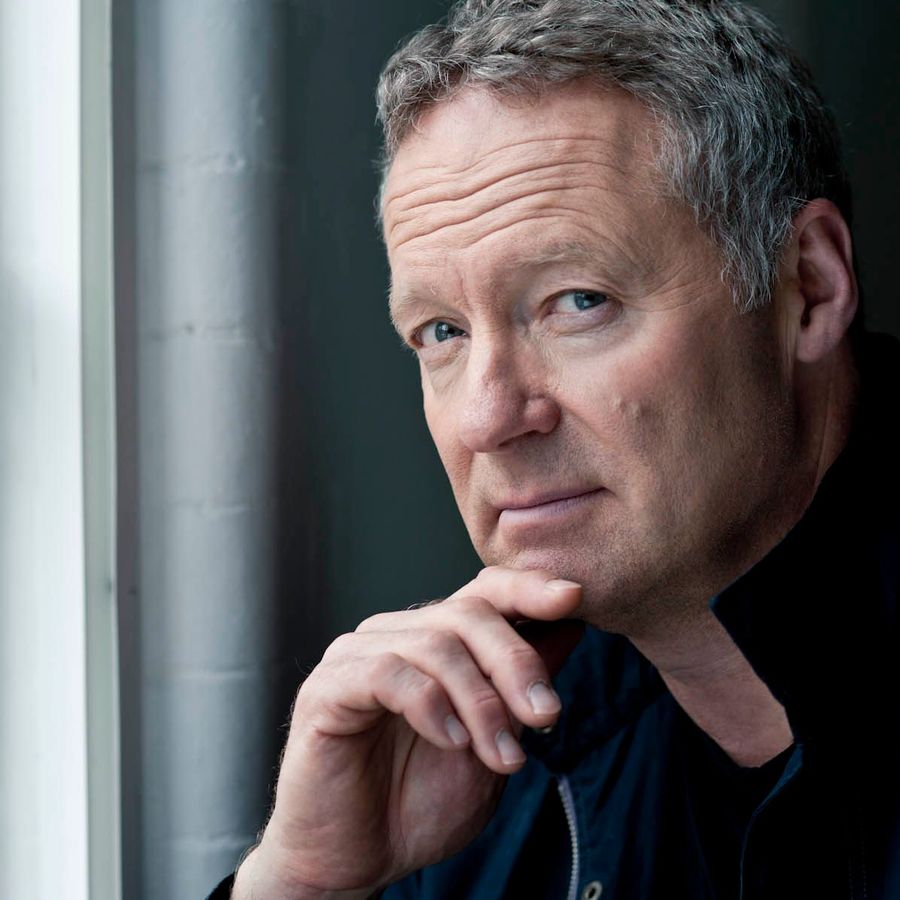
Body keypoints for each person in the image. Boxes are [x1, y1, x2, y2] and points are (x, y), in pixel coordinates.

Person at [209, 1, 900, 898]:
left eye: (578, 301)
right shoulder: (461, 766)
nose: (485, 419)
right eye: (442, 331)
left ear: (808, 285)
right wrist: (300, 884)